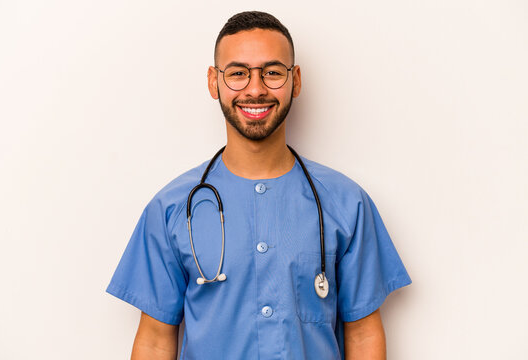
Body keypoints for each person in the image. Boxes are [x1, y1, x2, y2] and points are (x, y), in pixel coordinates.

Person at [106, 11, 411, 360]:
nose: (255, 89)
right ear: (213, 81)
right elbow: (156, 341)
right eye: (237, 73)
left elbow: (363, 334)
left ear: (295, 80)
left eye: (272, 73)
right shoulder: (171, 209)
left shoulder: (346, 204)